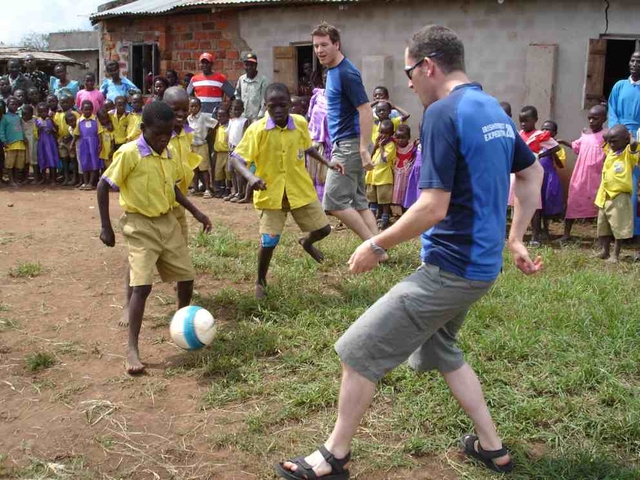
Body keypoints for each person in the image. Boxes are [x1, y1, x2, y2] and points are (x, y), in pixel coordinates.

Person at [275, 24, 544, 480]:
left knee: (358, 349)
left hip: (450, 270)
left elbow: (432, 206)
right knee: (442, 349)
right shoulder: (491, 109)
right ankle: (492, 448)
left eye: (409, 72)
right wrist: (515, 237)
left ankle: (333, 458)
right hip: (481, 267)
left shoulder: (443, 112)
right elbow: (531, 174)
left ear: (428, 66)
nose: (408, 83)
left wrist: (376, 243)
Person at [97, 101, 212, 374]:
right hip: (139, 226)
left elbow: (173, 188)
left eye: (169, 132)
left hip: (167, 222)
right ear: (143, 128)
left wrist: (197, 212)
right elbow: (103, 185)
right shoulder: (129, 153)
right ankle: (132, 349)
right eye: (159, 134)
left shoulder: (168, 153)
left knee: (186, 276)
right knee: (142, 286)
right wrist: (106, 227)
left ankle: (182, 324)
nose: (164, 138)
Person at [230, 83, 344, 300]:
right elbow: (236, 159)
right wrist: (251, 178)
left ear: (290, 104)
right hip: (271, 194)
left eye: (283, 105)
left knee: (324, 230)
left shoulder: (300, 123)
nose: (279, 110)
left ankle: (307, 242)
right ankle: (260, 280)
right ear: (266, 106)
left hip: (298, 189)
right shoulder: (257, 130)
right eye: (273, 106)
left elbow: (307, 147)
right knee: (269, 241)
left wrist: (327, 163)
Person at [313, 23, 378, 241]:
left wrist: (363, 148)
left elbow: (366, 110)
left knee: (333, 201)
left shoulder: (346, 73)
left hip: (350, 145)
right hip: (346, 143)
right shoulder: (332, 71)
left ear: (336, 44)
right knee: (359, 201)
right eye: (315, 46)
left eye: (324, 45)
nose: (319, 50)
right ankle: (379, 248)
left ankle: (372, 248)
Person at [556, 105, 608, 242]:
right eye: (589, 118)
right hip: (580, 175)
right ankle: (567, 234)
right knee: (572, 202)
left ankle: (600, 238)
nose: (591, 121)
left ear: (604, 119)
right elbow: (577, 147)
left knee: (598, 206)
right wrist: (562, 142)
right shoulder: (585, 133)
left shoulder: (606, 136)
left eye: (595, 118)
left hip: (596, 177)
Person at [512, 105, 560, 245]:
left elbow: (556, 146)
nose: (523, 123)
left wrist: (540, 154)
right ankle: (518, 236)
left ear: (535, 120)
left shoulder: (540, 135)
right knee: (518, 204)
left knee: (534, 205)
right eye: (521, 121)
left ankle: (534, 236)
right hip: (518, 173)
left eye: (526, 120)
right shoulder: (519, 133)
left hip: (532, 174)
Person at [594, 125, 639, 262]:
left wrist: (630, 138)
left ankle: (615, 254)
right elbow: (606, 137)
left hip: (619, 196)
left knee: (619, 227)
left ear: (625, 140)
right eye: (610, 141)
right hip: (604, 195)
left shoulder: (628, 154)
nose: (611, 144)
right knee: (604, 226)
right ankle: (605, 251)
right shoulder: (610, 151)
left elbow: (634, 145)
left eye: (615, 141)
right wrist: (611, 137)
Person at [608, 51, 640, 237]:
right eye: (632, 60)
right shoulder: (619, 86)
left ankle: (631, 231)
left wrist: (635, 137)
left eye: (639, 61)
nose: (634, 64)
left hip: (638, 141)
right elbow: (612, 112)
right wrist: (620, 135)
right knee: (616, 182)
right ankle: (615, 229)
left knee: (633, 186)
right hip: (619, 139)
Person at [366, 119, 396, 229]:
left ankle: (385, 219)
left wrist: (382, 146)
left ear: (391, 134)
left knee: (384, 200)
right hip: (372, 177)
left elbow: (385, 159)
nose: (382, 135)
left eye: (385, 133)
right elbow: (370, 156)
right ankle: (372, 218)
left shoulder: (391, 145)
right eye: (380, 132)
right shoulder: (377, 143)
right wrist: (376, 146)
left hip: (384, 178)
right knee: (372, 199)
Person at [539, 120, 565, 240]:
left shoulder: (556, 147)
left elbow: (560, 165)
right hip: (537, 177)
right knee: (537, 204)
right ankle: (537, 228)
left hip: (549, 178)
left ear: (554, 133)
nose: (545, 131)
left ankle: (546, 228)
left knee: (546, 203)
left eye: (548, 129)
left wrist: (553, 152)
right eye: (543, 128)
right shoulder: (537, 144)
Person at [186, 53, 235, 117]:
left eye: (207, 63)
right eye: (202, 63)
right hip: (199, 117)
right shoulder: (194, 79)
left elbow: (233, 96)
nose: (205, 65)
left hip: (215, 116)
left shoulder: (221, 78)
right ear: (199, 64)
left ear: (212, 64)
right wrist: (195, 107)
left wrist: (225, 108)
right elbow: (189, 95)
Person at [188, 96, 218, 199]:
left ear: (200, 107)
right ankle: (195, 188)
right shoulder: (189, 118)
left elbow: (215, 124)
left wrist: (209, 135)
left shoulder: (204, 117)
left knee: (204, 168)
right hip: (192, 146)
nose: (193, 108)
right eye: (191, 106)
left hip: (202, 145)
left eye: (195, 106)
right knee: (194, 168)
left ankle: (207, 189)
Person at [307, 70, 331, 201]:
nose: (327, 80)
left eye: (330, 77)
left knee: (327, 173)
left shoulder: (339, 97)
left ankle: (328, 202)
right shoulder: (317, 96)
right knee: (314, 172)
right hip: (316, 141)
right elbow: (310, 116)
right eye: (324, 78)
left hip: (331, 143)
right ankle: (316, 202)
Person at [74, 100, 103, 190]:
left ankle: (91, 183)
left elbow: (99, 133)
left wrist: (100, 144)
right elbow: (76, 134)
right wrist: (72, 144)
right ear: (81, 109)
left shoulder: (95, 119)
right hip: (83, 144)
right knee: (85, 162)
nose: (87, 111)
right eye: (85, 109)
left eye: (89, 109)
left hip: (93, 143)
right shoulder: (79, 120)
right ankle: (85, 182)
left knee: (94, 162)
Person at [0, 97, 27, 187]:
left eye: (16, 104)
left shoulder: (18, 117)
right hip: (11, 144)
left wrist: (24, 137)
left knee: (18, 164)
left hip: (20, 144)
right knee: (10, 164)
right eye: (12, 104)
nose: (14, 106)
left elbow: (21, 128)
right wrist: (4, 140)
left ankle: (16, 179)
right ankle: (11, 180)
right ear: (7, 106)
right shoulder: (4, 117)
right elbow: (2, 130)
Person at [54, 95, 80, 186]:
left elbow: (77, 127)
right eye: (62, 103)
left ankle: (75, 178)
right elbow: (56, 127)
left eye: (66, 102)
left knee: (73, 159)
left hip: (72, 139)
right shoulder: (58, 114)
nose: (64, 104)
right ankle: (66, 177)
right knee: (64, 159)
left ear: (71, 103)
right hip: (62, 139)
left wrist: (69, 136)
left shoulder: (75, 113)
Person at [235, 52, 268, 121]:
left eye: (252, 65)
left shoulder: (263, 80)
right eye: (247, 65)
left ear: (256, 65)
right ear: (244, 66)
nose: (249, 67)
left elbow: (264, 100)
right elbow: (237, 94)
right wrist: (238, 109)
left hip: (256, 117)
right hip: (242, 116)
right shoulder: (241, 79)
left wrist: (260, 115)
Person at [392, 124, 418, 211]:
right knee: (394, 193)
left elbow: (415, 155)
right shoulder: (393, 146)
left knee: (405, 193)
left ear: (408, 137)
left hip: (406, 175)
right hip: (395, 174)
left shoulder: (412, 147)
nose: (400, 140)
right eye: (398, 137)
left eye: (403, 137)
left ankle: (405, 210)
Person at [34, 102, 59, 185]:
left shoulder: (50, 119)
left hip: (50, 143)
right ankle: (44, 178)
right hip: (41, 143)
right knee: (42, 159)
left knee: (52, 159)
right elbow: (34, 132)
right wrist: (38, 130)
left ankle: (53, 179)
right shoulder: (37, 120)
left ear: (48, 111)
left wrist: (52, 130)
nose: (43, 113)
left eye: (45, 111)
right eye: (41, 112)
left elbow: (56, 128)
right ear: (38, 112)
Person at [213, 106, 233, 199]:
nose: (220, 118)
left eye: (222, 116)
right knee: (219, 171)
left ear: (228, 116)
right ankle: (221, 188)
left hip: (227, 152)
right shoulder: (218, 126)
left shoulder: (229, 126)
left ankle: (228, 189)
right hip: (219, 152)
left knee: (228, 171)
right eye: (218, 116)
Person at [21, 104, 38, 184]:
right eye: (23, 114)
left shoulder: (35, 120)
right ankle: (26, 177)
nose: (24, 116)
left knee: (34, 160)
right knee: (25, 161)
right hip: (24, 144)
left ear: (32, 114)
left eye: (26, 114)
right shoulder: (20, 121)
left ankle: (36, 177)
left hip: (34, 143)